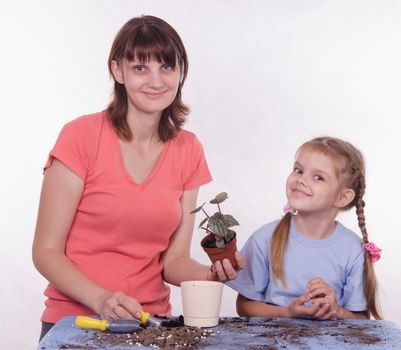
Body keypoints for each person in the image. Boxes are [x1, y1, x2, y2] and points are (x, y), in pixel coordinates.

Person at [32, 15, 245, 340]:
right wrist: (101, 299)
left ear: (180, 72)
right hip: (77, 325)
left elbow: (173, 261)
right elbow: (46, 252)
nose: (156, 81)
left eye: (167, 67)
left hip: (152, 325)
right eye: (140, 68)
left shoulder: (188, 149)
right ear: (118, 70)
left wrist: (213, 274)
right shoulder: (80, 137)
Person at [227, 136, 382, 320]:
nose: (301, 180)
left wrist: (336, 311)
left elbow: (362, 319)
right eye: (298, 170)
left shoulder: (353, 250)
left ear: (343, 197)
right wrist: (287, 313)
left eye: (318, 177)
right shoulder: (264, 239)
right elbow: (244, 306)